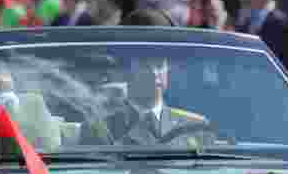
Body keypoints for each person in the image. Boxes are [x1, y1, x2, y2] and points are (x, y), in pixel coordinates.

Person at [82, 8, 212, 145]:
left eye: (159, 63)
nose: (154, 72)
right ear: (126, 70)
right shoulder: (99, 130)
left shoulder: (195, 128)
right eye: (144, 64)